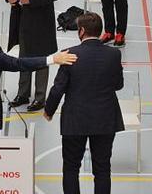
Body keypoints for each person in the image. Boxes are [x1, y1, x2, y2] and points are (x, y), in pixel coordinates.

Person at [43, 12, 123, 194]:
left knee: (71, 168)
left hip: (75, 119)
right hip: (105, 118)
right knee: (102, 169)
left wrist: (49, 110)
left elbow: (58, 88)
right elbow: (118, 85)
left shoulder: (70, 55)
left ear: (81, 31)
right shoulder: (114, 54)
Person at [6, 0, 60, 111]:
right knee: (24, 55)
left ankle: (40, 97)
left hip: (40, 19)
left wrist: (32, 0)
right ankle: (23, 94)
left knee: (41, 57)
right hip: (22, 17)